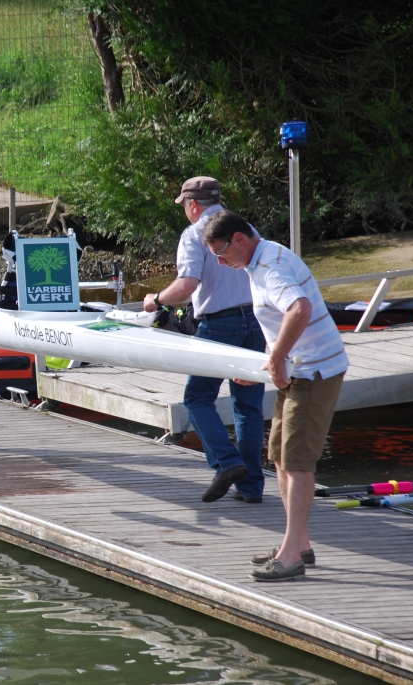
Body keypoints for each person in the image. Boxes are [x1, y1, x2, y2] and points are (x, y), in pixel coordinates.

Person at [202, 210, 348, 582]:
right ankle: (299, 544)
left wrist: (278, 359)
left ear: (239, 239)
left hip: (313, 370)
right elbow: (279, 321)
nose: (220, 262)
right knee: (280, 456)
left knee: (297, 461)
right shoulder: (259, 260)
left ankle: (289, 557)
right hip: (297, 369)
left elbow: (300, 309)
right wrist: (266, 366)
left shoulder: (270, 267)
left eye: (221, 253)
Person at [143, 177, 266, 504]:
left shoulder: (194, 233)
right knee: (248, 406)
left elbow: (187, 285)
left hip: (217, 325)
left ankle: (228, 462)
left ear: (192, 205)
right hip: (255, 322)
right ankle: (251, 488)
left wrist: (155, 299)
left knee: (197, 398)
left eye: (185, 205)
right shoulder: (244, 226)